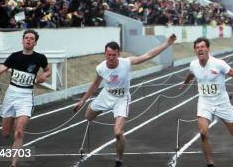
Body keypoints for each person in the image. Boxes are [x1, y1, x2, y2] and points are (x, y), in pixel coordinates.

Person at [73, 34, 176, 167]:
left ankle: (119, 160)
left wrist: (167, 44)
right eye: (108, 55)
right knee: (88, 116)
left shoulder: (126, 62)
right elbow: (95, 85)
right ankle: (93, 110)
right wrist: (82, 101)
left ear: (118, 54)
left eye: (113, 55)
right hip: (106, 95)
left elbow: (147, 56)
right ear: (105, 53)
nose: (111, 58)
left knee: (118, 132)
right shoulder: (101, 68)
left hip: (121, 98)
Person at [181, 37, 233, 167]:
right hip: (205, 103)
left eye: (202, 47)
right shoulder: (193, 64)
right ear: (195, 50)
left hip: (222, 103)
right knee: (203, 132)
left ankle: (228, 98)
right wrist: (185, 83)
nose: (200, 49)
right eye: (197, 48)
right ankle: (210, 162)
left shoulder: (219, 63)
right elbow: (191, 74)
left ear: (208, 49)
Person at [0, 30, 50, 167]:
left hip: (26, 96)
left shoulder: (40, 58)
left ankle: (13, 164)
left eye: (31, 39)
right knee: (6, 133)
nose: (28, 40)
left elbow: (47, 70)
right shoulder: (14, 56)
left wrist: (44, 76)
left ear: (35, 42)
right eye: (26, 38)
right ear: (22, 40)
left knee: (19, 131)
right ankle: (11, 120)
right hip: (11, 94)